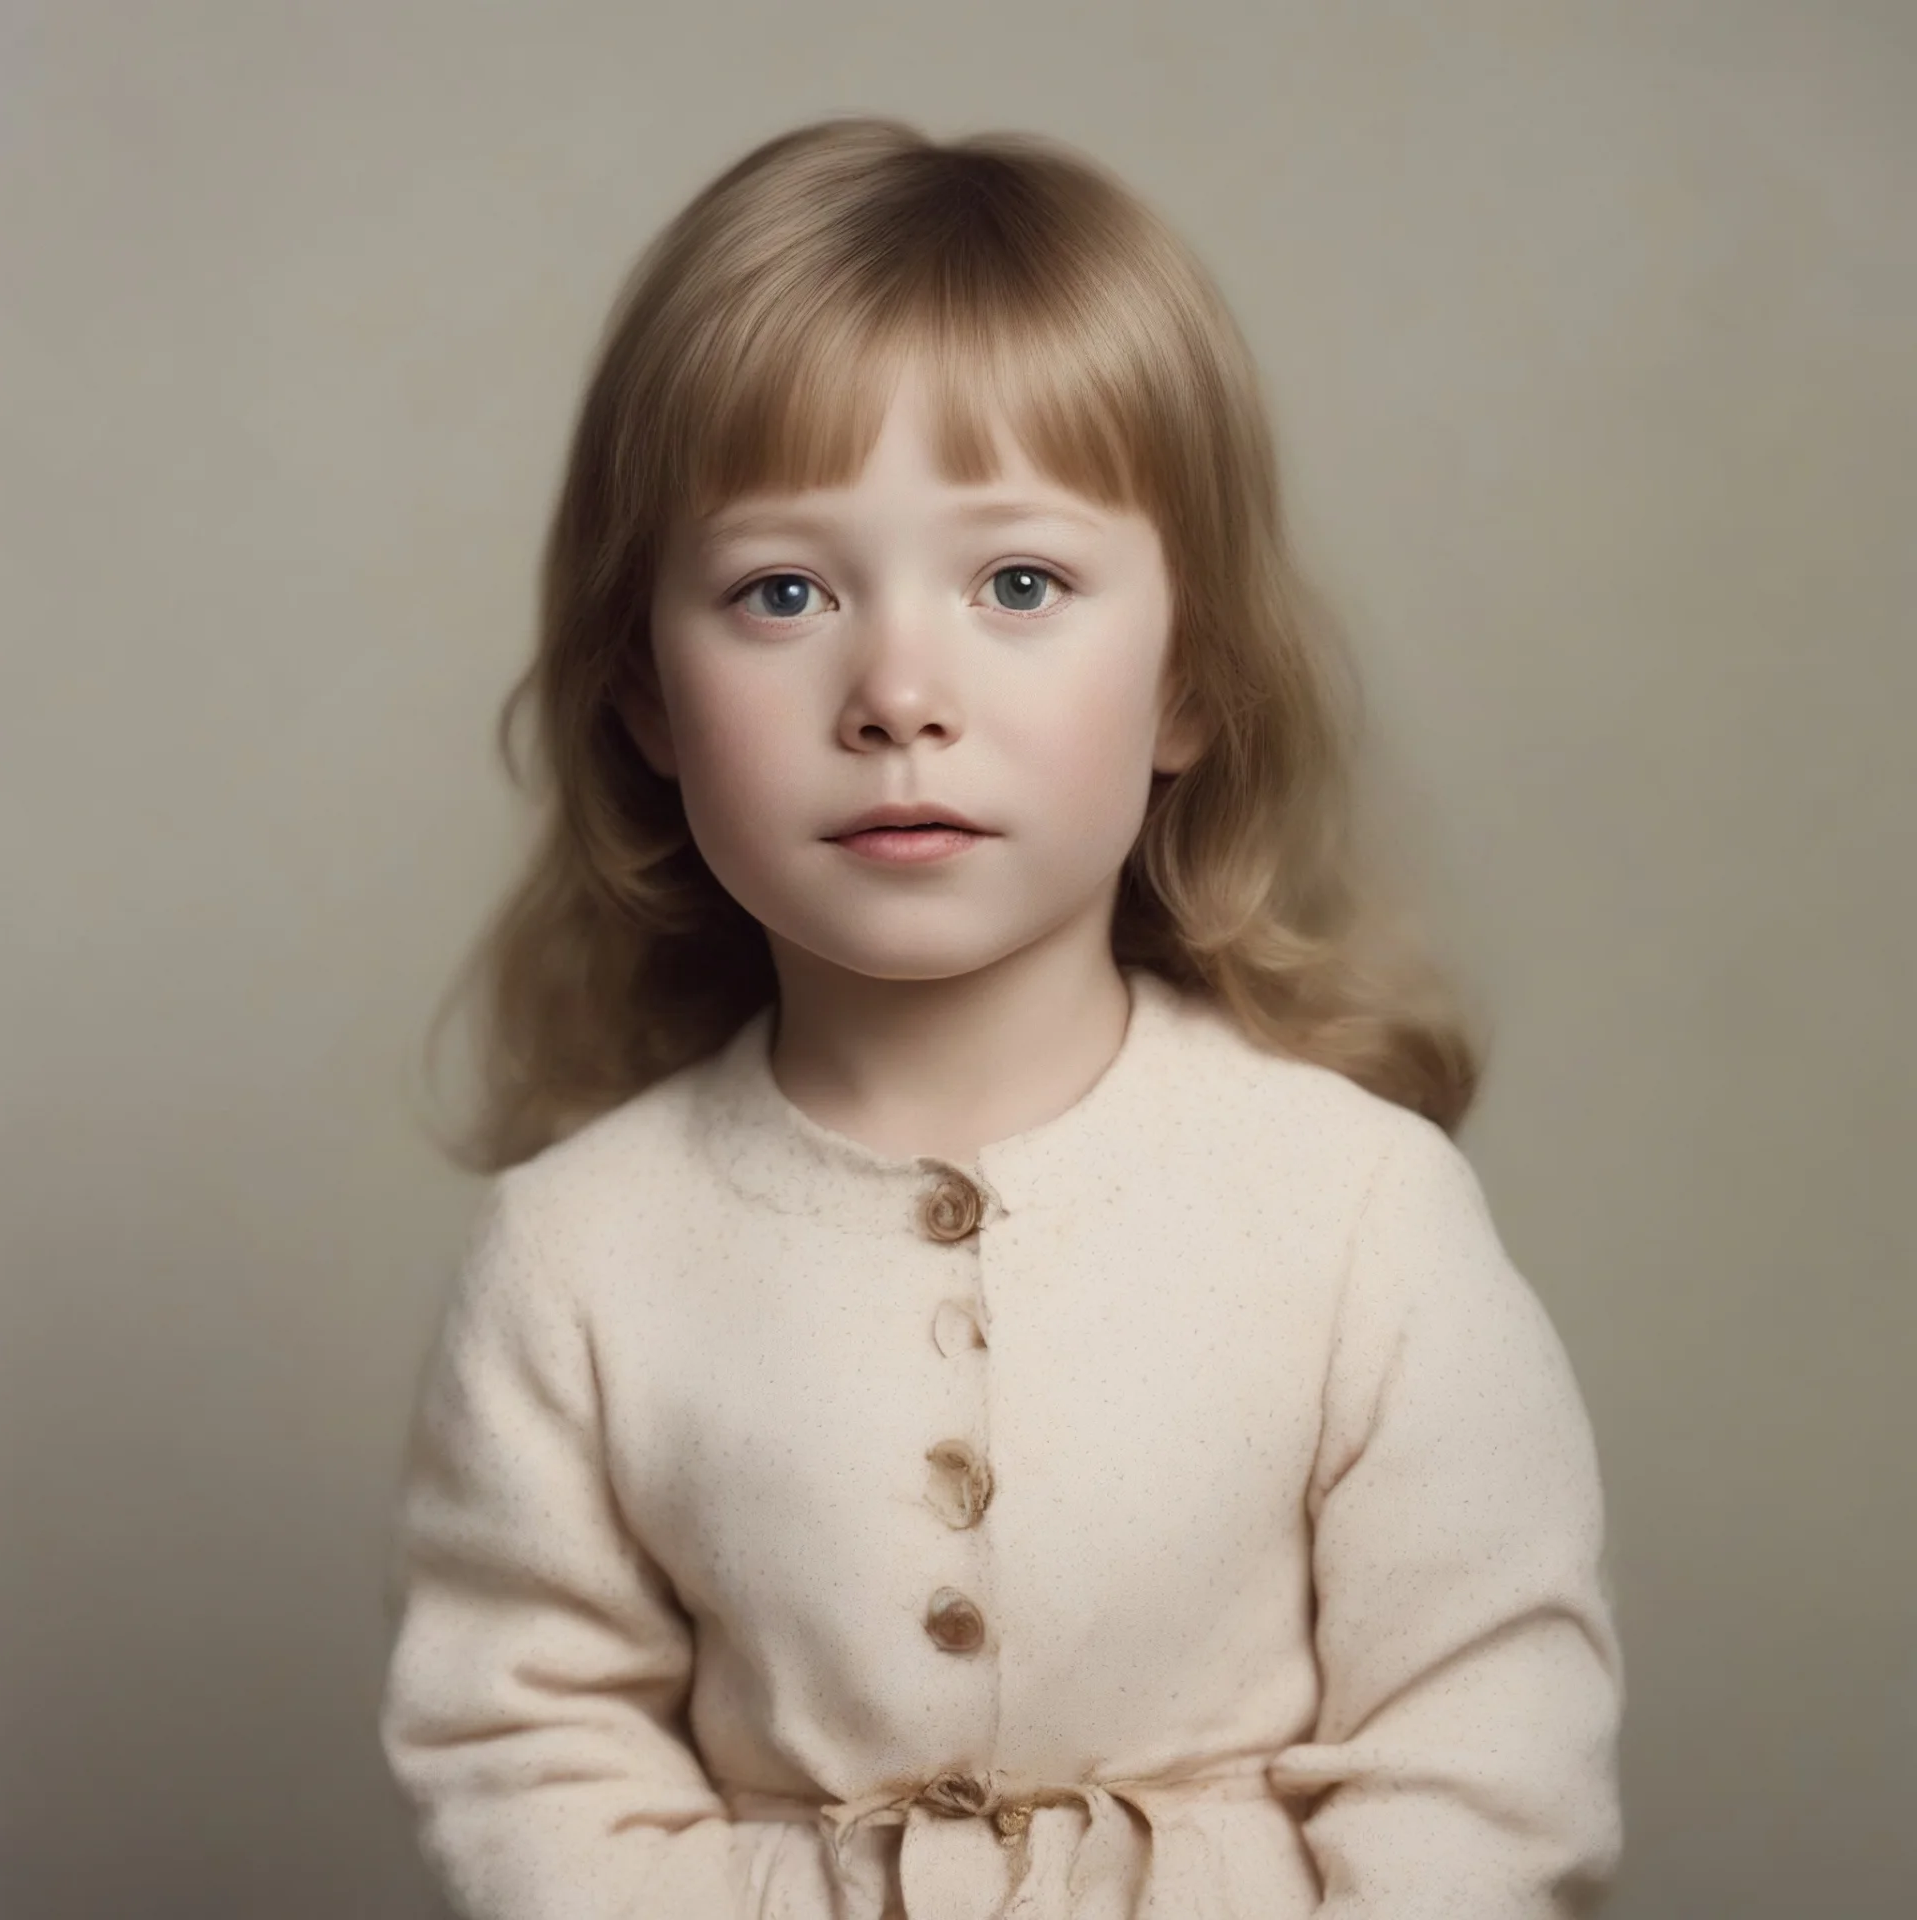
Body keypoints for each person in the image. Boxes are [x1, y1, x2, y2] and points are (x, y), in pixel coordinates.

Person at [378, 114, 1624, 1920]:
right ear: (644, 693)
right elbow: (527, 1754)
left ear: (1190, 680)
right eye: (781, 591)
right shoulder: (576, 1258)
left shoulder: (1358, 1214)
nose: (897, 691)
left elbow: (1487, 1743)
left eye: (1018, 583)